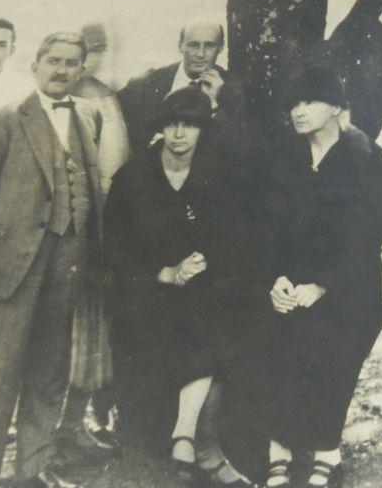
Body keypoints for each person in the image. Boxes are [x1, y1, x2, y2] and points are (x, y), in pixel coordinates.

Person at [0, 32, 104, 488]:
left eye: (71, 62)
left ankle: (34, 467)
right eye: (52, 60)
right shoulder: (5, 120)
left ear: (81, 70)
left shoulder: (88, 116)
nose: (61, 69)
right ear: (35, 65)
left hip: (69, 260)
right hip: (13, 263)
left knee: (50, 367)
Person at [105, 89, 255, 486]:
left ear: (203, 130)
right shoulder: (133, 176)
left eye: (189, 124)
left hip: (203, 283)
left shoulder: (220, 174)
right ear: (161, 129)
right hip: (145, 288)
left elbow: (237, 236)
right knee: (184, 322)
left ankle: (188, 438)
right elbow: (115, 246)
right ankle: (197, 447)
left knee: (212, 315)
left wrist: (204, 261)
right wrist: (163, 273)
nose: (179, 133)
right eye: (172, 124)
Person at [257, 65, 382, 488]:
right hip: (288, 280)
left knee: (334, 345)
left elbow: (366, 234)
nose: (299, 111)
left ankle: (326, 447)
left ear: (337, 107)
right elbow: (267, 227)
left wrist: (323, 285)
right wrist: (274, 279)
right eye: (294, 103)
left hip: (349, 283)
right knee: (276, 340)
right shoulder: (283, 155)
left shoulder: (364, 155)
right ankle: (279, 444)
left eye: (310, 101)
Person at [59, 23, 128, 457]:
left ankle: (83, 422)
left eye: (103, 49)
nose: (96, 57)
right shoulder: (74, 102)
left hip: (116, 226)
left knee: (100, 332)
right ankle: (62, 429)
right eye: (90, 51)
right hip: (84, 231)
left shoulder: (112, 94)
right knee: (73, 332)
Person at [117, 18, 247, 159]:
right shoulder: (150, 81)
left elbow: (238, 150)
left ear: (220, 47)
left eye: (209, 46)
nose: (200, 54)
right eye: (193, 45)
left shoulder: (231, 87)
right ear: (180, 46)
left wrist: (213, 105)